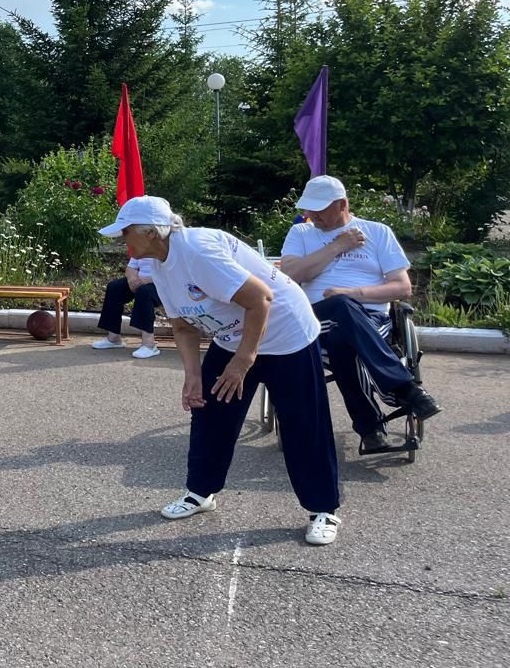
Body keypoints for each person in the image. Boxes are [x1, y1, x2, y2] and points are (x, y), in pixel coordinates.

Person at [99, 195, 343, 546]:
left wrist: (242, 362)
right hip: (232, 335)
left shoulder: (196, 251)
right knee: (210, 411)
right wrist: (193, 377)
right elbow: (183, 327)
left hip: (285, 330)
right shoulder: (159, 263)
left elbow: (261, 300)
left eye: (126, 234)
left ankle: (324, 509)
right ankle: (200, 492)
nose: (124, 242)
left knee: (304, 423)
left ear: (151, 232)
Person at [280, 175, 440, 453]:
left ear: (342, 203)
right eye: (309, 208)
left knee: (343, 339)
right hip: (316, 318)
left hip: (371, 319)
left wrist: (353, 293)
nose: (311, 214)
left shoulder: (377, 232)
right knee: (340, 308)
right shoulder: (302, 233)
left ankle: (370, 429)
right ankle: (404, 389)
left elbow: (402, 287)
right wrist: (338, 246)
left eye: (319, 208)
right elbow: (291, 275)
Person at [92, 256, 160, 358]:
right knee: (114, 288)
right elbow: (130, 268)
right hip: (140, 281)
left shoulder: (168, 245)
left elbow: (173, 274)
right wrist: (132, 279)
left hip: (163, 285)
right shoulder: (141, 246)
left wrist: (146, 280)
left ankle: (149, 345)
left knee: (144, 292)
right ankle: (114, 338)